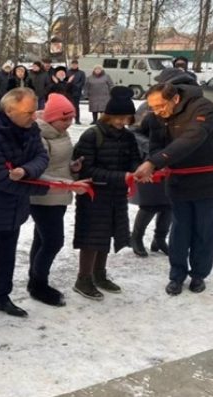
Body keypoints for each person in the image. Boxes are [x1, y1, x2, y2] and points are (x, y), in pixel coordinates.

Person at [0, 88, 88, 336]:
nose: (35, 116)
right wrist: (43, 187)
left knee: (6, 256)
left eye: (35, 110)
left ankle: (1, 296)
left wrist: (25, 171)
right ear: (10, 111)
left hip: (14, 207)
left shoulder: (30, 129)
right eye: (29, 112)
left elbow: (41, 158)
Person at [133, 82, 213, 295]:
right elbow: (156, 144)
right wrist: (153, 159)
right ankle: (177, 275)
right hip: (179, 181)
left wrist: (155, 162)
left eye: (160, 106)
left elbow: (191, 139)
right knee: (180, 230)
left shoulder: (203, 107)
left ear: (175, 99)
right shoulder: (158, 116)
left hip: (209, 180)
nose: (157, 111)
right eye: (152, 107)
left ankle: (199, 274)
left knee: (204, 230)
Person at [72, 86, 141, 300]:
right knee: (92, 237)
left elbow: (134, 160)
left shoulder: (128, 137)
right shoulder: (92, 135)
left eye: (126, 118)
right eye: (117, 117)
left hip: (116, 196)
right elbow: (86, 169)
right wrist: (120, 177)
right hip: (94, 196)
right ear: (107, 115)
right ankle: (83, 279)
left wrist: (137, 170)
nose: (122, 122)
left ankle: (99, 274)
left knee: (107, 234)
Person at [27, 94, 81, 307]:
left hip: (60, 194)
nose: (68, 123)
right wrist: (65, 182)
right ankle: (39, 284)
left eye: (71, 119)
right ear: (51, 118)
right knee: (53, 241)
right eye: (64, 119)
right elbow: (37, 172)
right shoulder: (40, 137)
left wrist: (73, 167)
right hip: (43, 196)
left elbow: (60, 163)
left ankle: (34, 278)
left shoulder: (60, 133)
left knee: (41, 239)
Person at [128, 102, 172, 257]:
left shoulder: (180, 108)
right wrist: (151, 147)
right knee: (149, 203)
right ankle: (136, 238)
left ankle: (159, 239)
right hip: (148, 161)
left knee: (169, 204)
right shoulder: (149, 105)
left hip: (170, 160)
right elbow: (133, 130)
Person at [67, 59, 86, 124]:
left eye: (75, 64)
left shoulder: (81, 73)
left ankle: (77, 119)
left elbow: (82, 82)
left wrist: (76, 86)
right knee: (68, 106)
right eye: (73, 64)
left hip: (76, 92)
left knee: (76, 106)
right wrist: (69, 84)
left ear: (77, 65)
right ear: (71, 65)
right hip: (68, 92)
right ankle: (68, 119)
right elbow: (65, 81)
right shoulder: (67, 72)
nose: (74, 65)